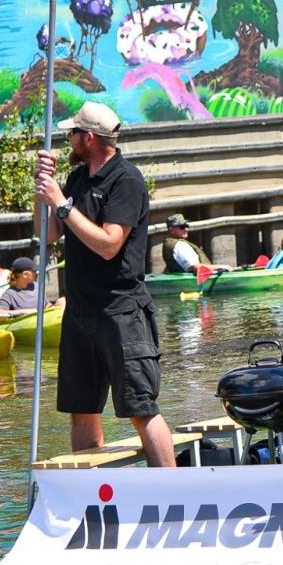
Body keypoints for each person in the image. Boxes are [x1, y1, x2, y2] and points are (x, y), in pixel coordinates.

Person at [36, 100, 175, 466]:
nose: (69, 138)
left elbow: (110, 245)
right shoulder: (77, 178)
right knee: (81, 409)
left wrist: (64, 206)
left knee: (140, 408)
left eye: (73, 133)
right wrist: (45, 192)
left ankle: (174, 493)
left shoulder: (126, 180)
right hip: (80, 312)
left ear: (90, 138)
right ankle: (90, 497)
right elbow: (48, 236)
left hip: (121, 311)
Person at [0, 257, 65, 316]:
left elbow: (46, 305)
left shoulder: (36, 286)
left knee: (62, 301)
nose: (36, 273)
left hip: (44, 318)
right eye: (33, 271)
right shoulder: (9, 294)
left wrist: (53, 306)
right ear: (25, 275)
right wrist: (26, 311)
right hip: (26, 323)